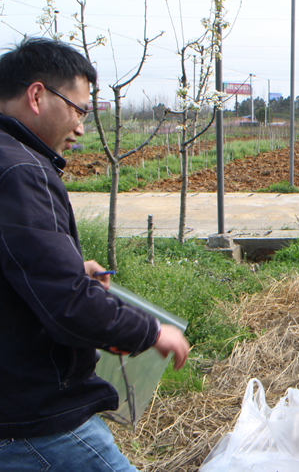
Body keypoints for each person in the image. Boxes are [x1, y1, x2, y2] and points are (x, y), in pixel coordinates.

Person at [0, 37, 190, 471]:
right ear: (36, 95)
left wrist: (67, 265)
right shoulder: (22, 170)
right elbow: (67, 303)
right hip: (34, 418)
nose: (83, 127)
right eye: (80, 109)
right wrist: (151, 332)